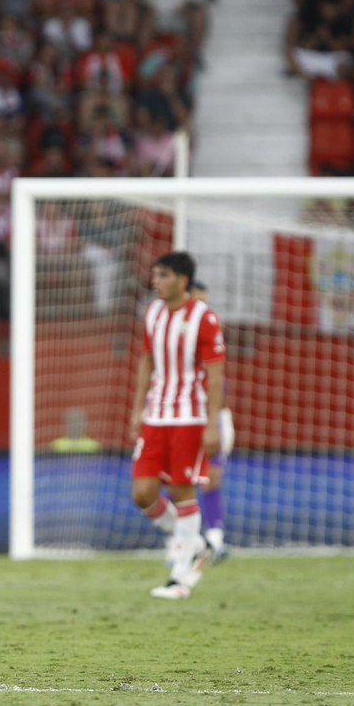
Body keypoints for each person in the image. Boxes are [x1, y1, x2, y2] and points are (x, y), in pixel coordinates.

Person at [129, 251, 226, 600]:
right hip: (156, 415)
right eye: (155, 274)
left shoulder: (204, 318)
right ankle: (196, 543)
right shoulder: (153, 313)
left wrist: (212, 424)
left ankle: (181, 579)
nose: (156, 280)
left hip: (189, 416)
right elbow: (147, 360)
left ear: (182, 280)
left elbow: (215, 376)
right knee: (142, 493)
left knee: (182, 492)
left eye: (164, 274)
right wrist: (138, 408)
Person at [190, 280, 231, 561]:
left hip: (212, 416)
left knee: (212, 479)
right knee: (176, 481)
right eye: (199, 301)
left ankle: (215, 538)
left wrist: (221, 422)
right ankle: (184, 541)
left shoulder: (210, 333)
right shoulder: (172, 337)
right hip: (180, 416)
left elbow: (218, 383)